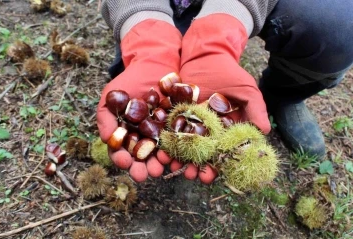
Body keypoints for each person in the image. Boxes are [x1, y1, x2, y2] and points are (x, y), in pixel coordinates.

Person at [97, 0, 353, 183]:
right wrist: (146, 37)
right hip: (157, 11)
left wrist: (219, 34)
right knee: (143, 78)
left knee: (338, 25)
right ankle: (138, 57)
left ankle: (283, 95)